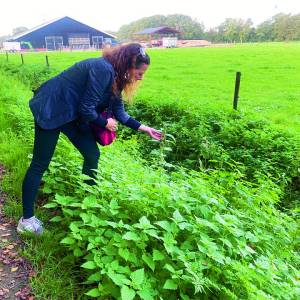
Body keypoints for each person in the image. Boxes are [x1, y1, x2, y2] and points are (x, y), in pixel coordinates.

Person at [17, 43, 162, 235]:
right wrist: (104, 123)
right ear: (128, 64)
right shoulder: (102, 68)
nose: (141, 77)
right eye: (140, 72)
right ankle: (26, 221)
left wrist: (144, 128)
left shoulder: (117, 77)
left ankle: (88, 203)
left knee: (92, 153)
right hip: (51, 109)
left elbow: (119, 112)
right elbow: (86, 109)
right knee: (40, 163)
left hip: (71, 115)